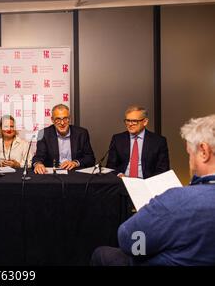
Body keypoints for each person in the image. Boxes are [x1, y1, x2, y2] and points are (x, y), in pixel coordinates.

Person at [91, 114, 215, 266]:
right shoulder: (118, 139)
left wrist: (145, 249)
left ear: (204, 151)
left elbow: (129, 240)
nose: (190, 161)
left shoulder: (176, 200)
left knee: (102, 254)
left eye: (190, 154)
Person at [106, 106, 170, 178]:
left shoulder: (158, 141)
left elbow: (163, 169)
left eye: (134, 121)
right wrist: (119, 175)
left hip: (147, 182)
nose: (130, 124)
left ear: (145, 122)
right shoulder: (118, 139)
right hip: (122, 182)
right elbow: (110, 165)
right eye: (128, 120)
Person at [32, 104, 95, 174]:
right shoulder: (43, 133)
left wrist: (75, 163)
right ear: (52, 120)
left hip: (75, 173)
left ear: (69, 119)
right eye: (58, 119)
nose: (62, 123)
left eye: (65, 119)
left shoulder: (82, 133)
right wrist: (38, 164)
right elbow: (38, 157)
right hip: (53, 175)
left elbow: (90, 158)